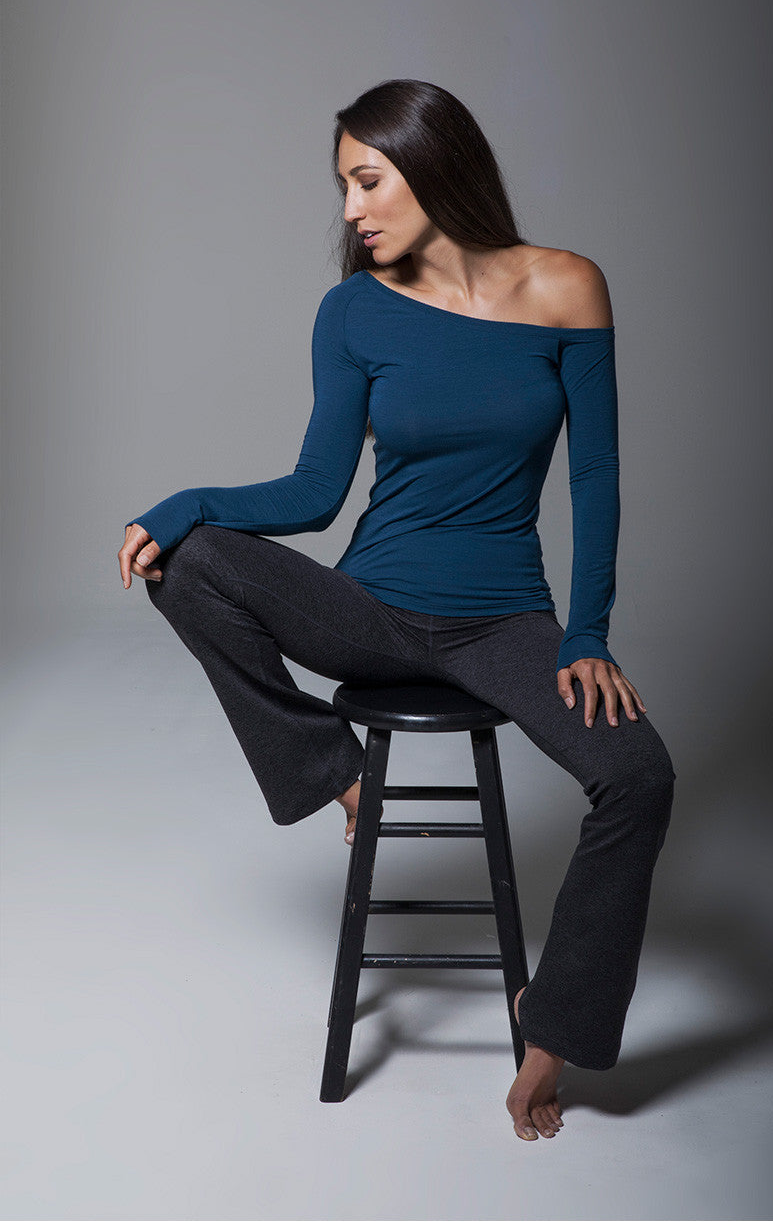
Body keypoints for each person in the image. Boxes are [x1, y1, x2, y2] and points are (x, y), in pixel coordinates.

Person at [118, 79, 676, 1142]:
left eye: (366, 180)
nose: (350, 209)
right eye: (342, 186)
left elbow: (595, 480)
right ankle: (337, 776)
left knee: (639, 774)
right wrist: (187, 502)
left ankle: (549, 1029)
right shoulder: (353, 312)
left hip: (503, 621)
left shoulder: (567, 287)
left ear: (434, 166)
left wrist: (587, 633)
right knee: (188, 565)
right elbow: (314, 491)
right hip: (368, 607)